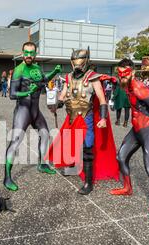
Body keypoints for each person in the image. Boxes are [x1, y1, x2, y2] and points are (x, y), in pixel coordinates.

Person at [46, 48, 119, 195]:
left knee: (87, 147)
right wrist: (55, 105)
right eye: (74, 62)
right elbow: (63, 96)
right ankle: (72, 167)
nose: (77, 65)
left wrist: (103, 118)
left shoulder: (93, 78)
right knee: (70, 144)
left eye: (80, 61)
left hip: (87, 117)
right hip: (72, 116)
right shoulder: (68, 77)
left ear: (86, 61)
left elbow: (102, 100)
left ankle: (88, 183)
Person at [110, 59, 149, 224]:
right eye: (119, 73)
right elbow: (115, 80)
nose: (122, 76)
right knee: (121, 157)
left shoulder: (139, 88)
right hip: (135, 129)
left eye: (125, 73)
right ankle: (128, 188)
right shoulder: (125, 84)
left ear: (132, 73)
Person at [4, 41, 62, 191]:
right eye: (26, 53)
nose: (29, 55)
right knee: (15, 142)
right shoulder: (19, 70)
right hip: (23, 111)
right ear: (22, 53)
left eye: (31, 53)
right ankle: (7, 177)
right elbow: (12, 94)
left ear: (35, 53)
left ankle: (42, 164)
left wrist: (55, 72)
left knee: (45, 134)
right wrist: (28, 92)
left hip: (35, 110)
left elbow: (43, 81)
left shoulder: (37, 67)